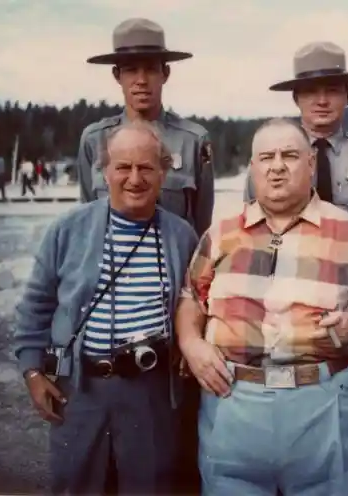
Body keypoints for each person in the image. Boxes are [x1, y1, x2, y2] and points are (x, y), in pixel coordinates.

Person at [176, 118, 348, 496]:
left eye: (290, 155)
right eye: (266, 157)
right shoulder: (222, 233)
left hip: (324, 405)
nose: (277, 165)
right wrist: (191, 344)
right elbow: (191, 296)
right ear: (253, 168)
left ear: (310, 164)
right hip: (232, 404)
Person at [13, 121, 199, 495]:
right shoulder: (68, 230)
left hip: (151, 394)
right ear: (104, 171)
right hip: (80, 390)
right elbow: (36, 305)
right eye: (123, 167)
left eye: (146, 167)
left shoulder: (182, 237)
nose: (134, 178)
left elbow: (195, 306)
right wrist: (33, 371)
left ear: (163, 172)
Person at [76, 17, 215, 492]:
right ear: (116, 76)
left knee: (168, 448)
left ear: (165, 73)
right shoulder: (94, 139)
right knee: (99, 454)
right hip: (107, 312)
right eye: (129, 69)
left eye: (150, 69)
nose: (140, 79)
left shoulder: (193, 141)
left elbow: (200, 240)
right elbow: (87, 231)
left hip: (167, 311)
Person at [245, 41, 348, 243]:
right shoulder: (269, 158)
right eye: (310, 92)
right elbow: (250, 228)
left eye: (332, 91)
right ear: (296, 98)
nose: (322, 101)